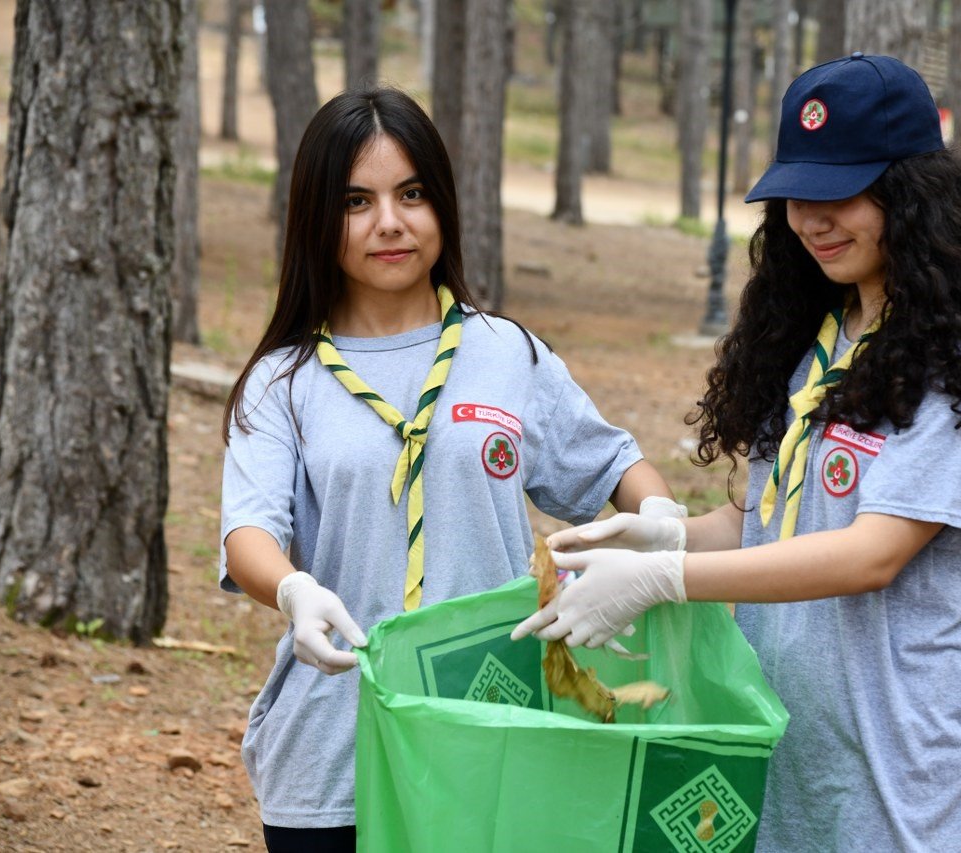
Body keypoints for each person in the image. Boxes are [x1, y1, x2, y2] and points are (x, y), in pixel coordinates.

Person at [514, 54, 961, 852]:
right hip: (800, 767)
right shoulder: (823, 336)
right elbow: (762, 518)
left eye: (842, 194)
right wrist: (662, 534)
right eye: (799, 194)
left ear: (913, 195)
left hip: (910, 790)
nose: (813, 219)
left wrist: (668, 578)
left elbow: (871, 553)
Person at [220, 87, 677, 852]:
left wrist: (660, 522)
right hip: (334, 752)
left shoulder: (507, 352)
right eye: (356, 200)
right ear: (315, 218)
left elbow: (618, 466)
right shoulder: (283, 381)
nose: (389, 222)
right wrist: (294, 589)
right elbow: (248, 533)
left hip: (489, 734)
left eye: (412, 194)